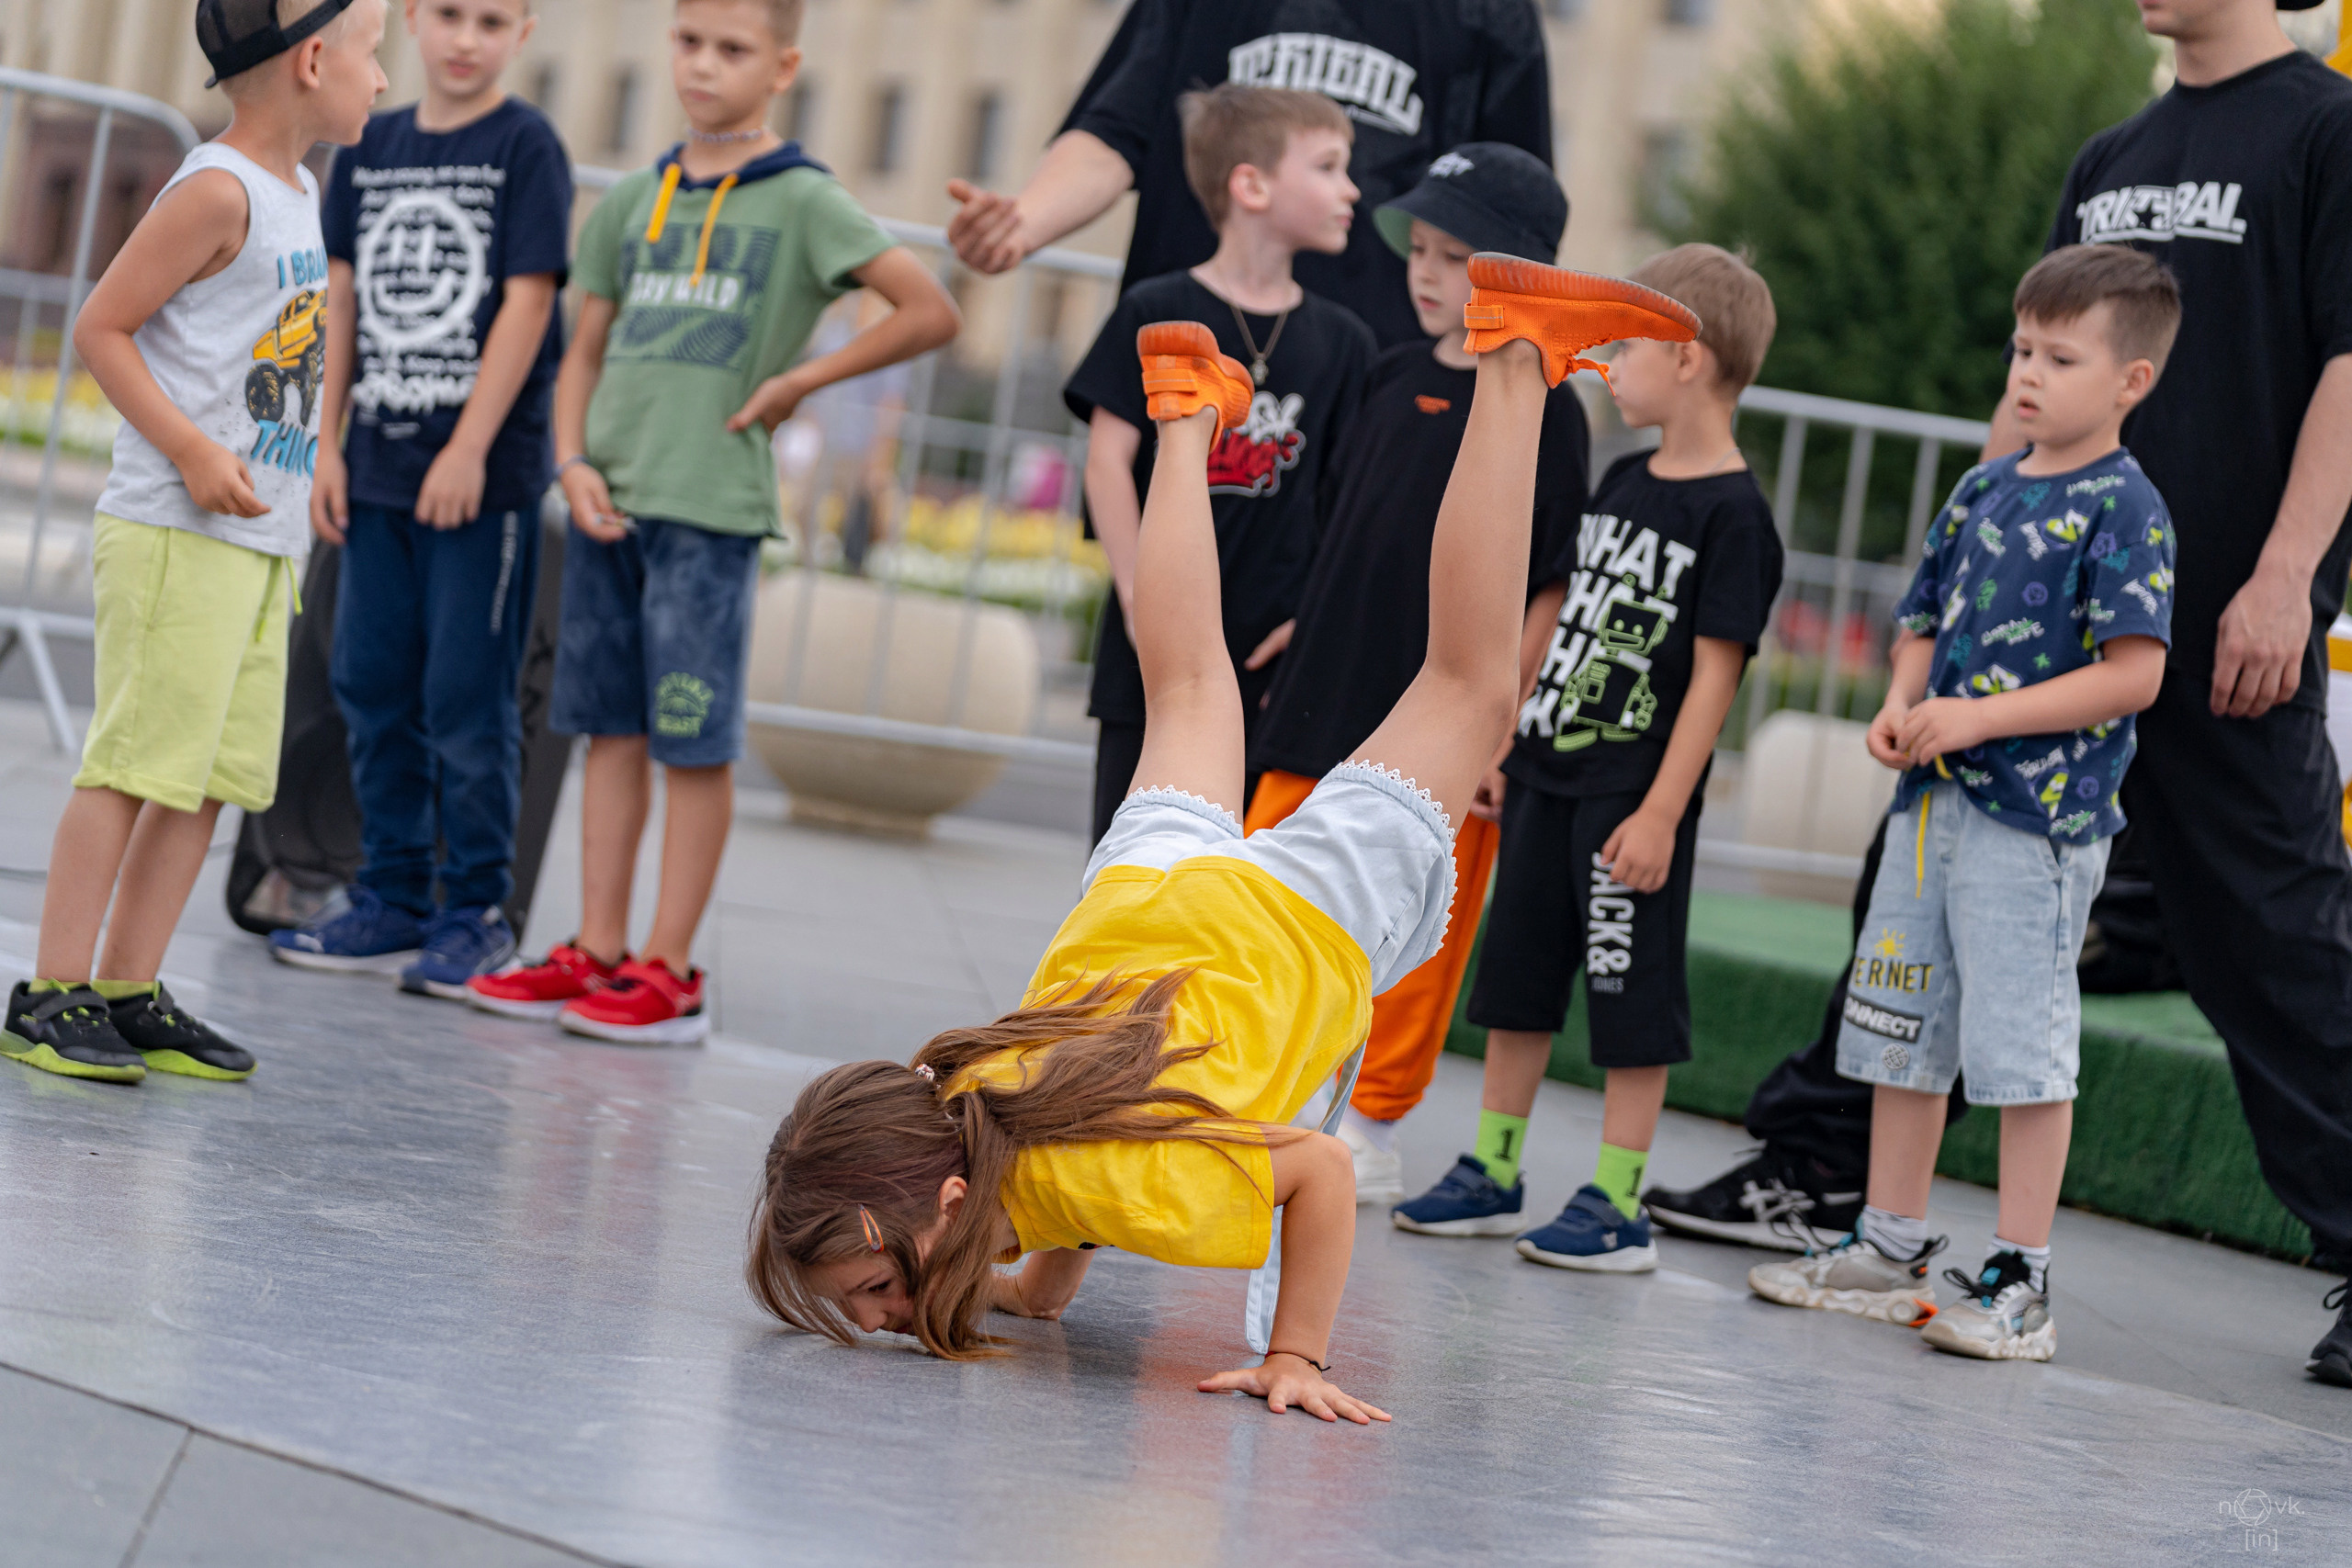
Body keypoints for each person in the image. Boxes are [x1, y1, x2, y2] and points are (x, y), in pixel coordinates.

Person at [744, 264, 1701, 1418]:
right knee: (1191, 682)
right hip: (1143, 895)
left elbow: (1320, 1173)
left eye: (875, 1290)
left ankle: (1513, 361)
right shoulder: (967, 1102)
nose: (878, 1321)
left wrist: (1296, 1355)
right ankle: (1185, 409)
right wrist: (1036, 1291)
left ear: (940, 1209)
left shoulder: (1127, 1180)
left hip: (1286, 927)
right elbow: (1064, 1174)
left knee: (1466, 687)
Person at [1655, 0, 2352, 1388]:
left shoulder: (2328, 131)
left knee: (2276, 938)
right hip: (2028, 653)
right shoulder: (2113, 153)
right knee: (1908, 894)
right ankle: (1823, 1172)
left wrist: (2288, 575)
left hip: (2221, 627)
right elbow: (2029, 384)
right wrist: (1963, 560)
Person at [461, 0, 958, 1041]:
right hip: (608, 504)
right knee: (610, 732)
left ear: (783, 66)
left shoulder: (804, 197)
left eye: (733, 50)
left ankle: (670, 968)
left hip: (710, 514)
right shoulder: (632, 198)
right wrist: (570, 461)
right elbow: (582, 353)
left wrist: (799, 382)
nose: (703, 65)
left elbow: (928, 310)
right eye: (689, 42)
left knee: (691, 739)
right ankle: (599, 949)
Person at [1750, 245, 2180, 1363]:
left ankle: (2021, 1279)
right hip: (1927, 812)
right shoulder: (1983, 488)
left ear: (2130, 380)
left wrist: (1980, 719)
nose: (2027, 373)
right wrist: (1903, 704)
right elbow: (1920, 621)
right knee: (1903, 1028)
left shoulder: (2125, 507)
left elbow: (2134, 673)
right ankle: (1888, 1246)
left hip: (2034, 828)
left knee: (2022, 1049)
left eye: (2060, 357)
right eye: (2021, 349)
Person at [0, 0, 386, 1085]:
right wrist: (189, 451)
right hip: (178, 532)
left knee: (203, 777)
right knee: (132, 765)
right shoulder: (217, 190)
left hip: (258, 548)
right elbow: (101, 327)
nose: (381, 80)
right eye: (372, 56)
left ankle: (128, 989)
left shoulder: (299, 190)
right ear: (313, 60)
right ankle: (50, 992)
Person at [1391, 244, 1784, 1274]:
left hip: (1627, 796)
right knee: (1515, 980)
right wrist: (1505, 734)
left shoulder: (1735, 515)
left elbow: (1715, 678)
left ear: (1688, 357)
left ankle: (1618, 1200)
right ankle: (1493, 1168)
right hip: (1545, 778)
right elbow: (1564, 614)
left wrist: (1661, 812)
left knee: (1628, 997)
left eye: (1624, 346)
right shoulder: (1621, 478)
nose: (1605, 364)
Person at [1243, 142, 1588, 1203]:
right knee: (1263, 884)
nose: (1426, 272)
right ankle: (1254, 1085)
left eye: (1454, 254)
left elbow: (1547, 578)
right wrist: (1305, 622)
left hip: (1446, 718)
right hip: (1325, 689)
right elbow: (1347, 519)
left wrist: (1499, 722)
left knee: (1417, 923)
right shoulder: (1388, 373)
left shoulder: (1549, 404)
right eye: (1420, 249)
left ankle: (1371, 1120)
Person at [267, 0, 571, 998]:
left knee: (465, 699)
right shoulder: (373, 140)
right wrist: (326, 445)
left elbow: (529, 301)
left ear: (523, 31)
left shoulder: (526, 146)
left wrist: (470, 447)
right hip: (376, 474)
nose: (466, 38)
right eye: (448, 14)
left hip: (480, 484)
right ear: (411, 18)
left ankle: (474, 910)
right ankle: (391, 895)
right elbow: (340, 294)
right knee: (368, 680)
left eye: (491, 20)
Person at [1062, 85, 1376, 845]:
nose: (1352, 190)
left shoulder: (1345, 343)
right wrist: (1138, 595)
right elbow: (1107, 462)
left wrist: (1312, 620)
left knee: (1238, 869)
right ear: (1251, 185)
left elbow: (1348, 502)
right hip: (1155, 646)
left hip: (1271, 659)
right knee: (1129, 853)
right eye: (1328, 167)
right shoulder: (1156, 309)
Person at [944, 0, 1552, 347]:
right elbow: (1115, 130)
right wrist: (1022, 223)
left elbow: (1509, 212)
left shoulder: (1488, 12)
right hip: (1193, 349)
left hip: (1370, 378)